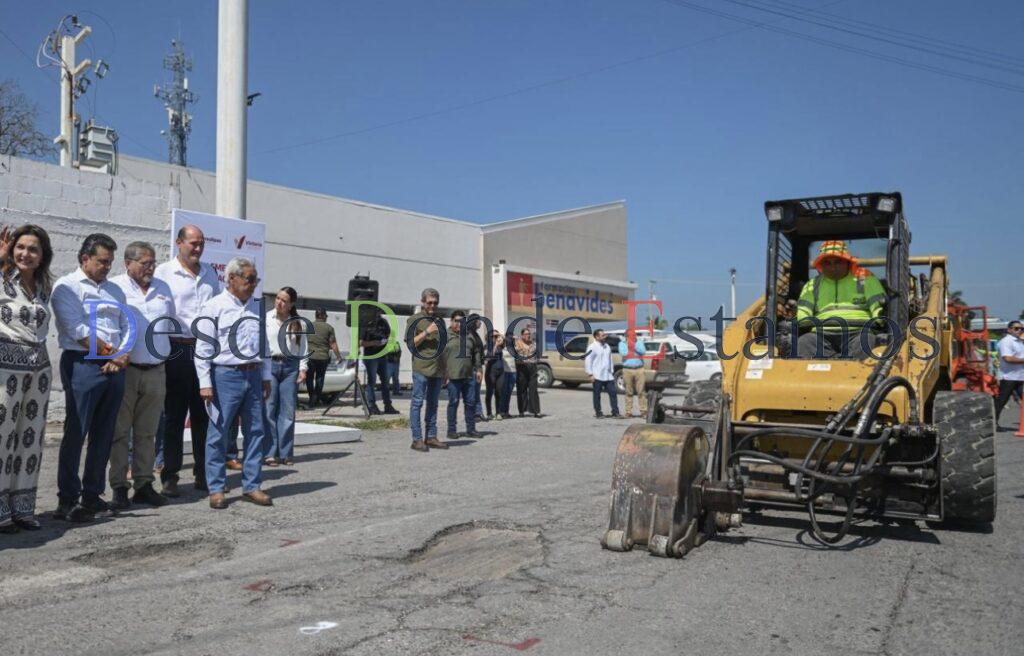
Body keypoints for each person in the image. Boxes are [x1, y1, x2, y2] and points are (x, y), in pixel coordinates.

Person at [51, 233, 130, 522]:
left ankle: (92, 494)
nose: (107, 267)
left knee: (104, 433)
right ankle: (67, 499)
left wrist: (122, 356)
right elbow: (77, 330)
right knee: (77, 432)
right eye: (102, 261)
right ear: (85, 258)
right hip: (82, 364)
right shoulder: (66, 287)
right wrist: (112, 355)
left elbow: (126, 325)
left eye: (110, 262)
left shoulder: (115, 291)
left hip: (114, 368)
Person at [195, 257, 272, 509]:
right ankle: (216, 488)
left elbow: (265, 345)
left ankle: (252, 485)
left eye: (255, 280)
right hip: (224, 376)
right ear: (231, 278)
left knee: (256, 432)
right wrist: (205, 382)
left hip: (253, 374)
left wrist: (266, 376)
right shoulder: (214, 306)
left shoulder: (256, 307)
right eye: (249, 279)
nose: (253, 284)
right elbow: (203, 347)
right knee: (218, 433)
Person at [153, 225, 221, 496]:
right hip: (176, 349)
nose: (198, 248)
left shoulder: (210, 274)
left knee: (203, 415)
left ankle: (203, 474)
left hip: (204, 350)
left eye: (201, 243)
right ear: (179, 243)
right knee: (173, 416)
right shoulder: (164, 273)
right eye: (193, 243)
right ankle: (170, 475)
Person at [109, 242, 174, 509]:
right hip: (127, 371)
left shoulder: (163, 289)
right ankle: (119, 488)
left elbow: (168, 324)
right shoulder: (116, 288)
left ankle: (144, 484)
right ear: (128, 263)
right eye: (145, 263)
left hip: (157, 371)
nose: (151, 267)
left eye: (153, 262)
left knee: (147, 433)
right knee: (120, 432)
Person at [0, 225, 53, 532]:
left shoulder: (45, 285)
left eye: (33, 249)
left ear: (42, 255)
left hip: (39, 372)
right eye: (21, 247)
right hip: (6, 369)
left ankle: (22, 508)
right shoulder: (3, 278)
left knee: (30, 441)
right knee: (3, 439)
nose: (25, 254)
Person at [796, 240, 886, 359]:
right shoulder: (812, 285)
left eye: (838, 262)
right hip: (822, 334)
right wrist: (805, 320)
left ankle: (861, 376)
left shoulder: (865, 279)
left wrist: (880, 320)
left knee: (866, 342)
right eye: (827, 263)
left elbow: (879, 306)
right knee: (805, 342)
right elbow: (803, 313)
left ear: (847, 262)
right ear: (821, 266)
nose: (833, 267)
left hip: (858, 332)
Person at [265, 287, 307, 467]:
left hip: (290, 367)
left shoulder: (298, 323)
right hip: (270, 365)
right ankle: (269, 453)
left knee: (288, 412)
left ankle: (286, 452)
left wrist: (303, 369)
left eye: (284, 300)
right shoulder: (267, 318)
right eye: (277, 298)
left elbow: (303, 349)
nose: (279, 302)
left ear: (291, 304)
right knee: (269, 409)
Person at [406, 288, 448, 452]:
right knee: (417, 403)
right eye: (429, 302)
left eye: (435, 302)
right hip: (421, 368)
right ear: (423, 302)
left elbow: (443, 347)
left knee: (433, 404)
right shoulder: (414, 320)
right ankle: (417, 440)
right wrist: (427, 332)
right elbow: (411, 344)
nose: (432, 305)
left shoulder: (440, 321)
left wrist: (446, 370)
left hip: (437, 370)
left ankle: (431, 437)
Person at [443, 310, 482, 439]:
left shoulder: (469, 335)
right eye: (456, 321)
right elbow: (439, 357)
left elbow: (476, 352)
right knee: (453, 403)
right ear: (451, 321)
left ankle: (471, 429)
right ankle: (451, 430)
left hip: (469, 376)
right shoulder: (445, 336)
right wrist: (444, 374)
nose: (459, 324)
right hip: (452, 377)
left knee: (470, 403)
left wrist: (479, 369)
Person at [360, 313, 398, 415]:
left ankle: (388, 406)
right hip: (371, 357)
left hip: (382, 356)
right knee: (371, 382)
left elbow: (389, 334)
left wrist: (387, 341)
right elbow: (360, 342)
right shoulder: (365, 324)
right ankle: (372, 406)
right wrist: (374, 343)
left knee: (385, 382)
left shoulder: (383, 322)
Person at [305, 308, 341, 406]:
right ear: (323, 316)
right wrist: (338, 356)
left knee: (309, 378)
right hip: (323, 357)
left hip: (310, 357)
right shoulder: (329, 328)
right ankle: (315, 400)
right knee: (320, 379)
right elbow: (333, 344)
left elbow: (303, 342)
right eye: (326, 316)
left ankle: (312, 397)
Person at [994, 320, 1024, 426]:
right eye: (1016, 328)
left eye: (1021, 328)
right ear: (1009, 330)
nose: (1019, 330)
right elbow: (1007, 358)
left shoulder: (1019, 341)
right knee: (1001, 401)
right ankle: (992, 423)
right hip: (1008, 377)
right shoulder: (1006, 341)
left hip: (1020, 377)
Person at [586, 329, 620, 418]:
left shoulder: (607, 346)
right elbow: (588, 361)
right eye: (603, 335)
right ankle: (598, 412)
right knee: (597, 395)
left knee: (613, 393)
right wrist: (590, 374)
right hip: (597, 375)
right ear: (597, 337)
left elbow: (610, 359)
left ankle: (615, 412)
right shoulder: (592, 347)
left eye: (605, 335)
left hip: (608, 375)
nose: (605, 337)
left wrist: (611, 371)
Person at [618, 333, 648, 418]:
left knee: (641, 391)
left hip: (639, 369)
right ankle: (628, 412)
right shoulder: (622, 343)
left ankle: (644, 411)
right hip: (627, 369)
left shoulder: (639, 342)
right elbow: (624, 353)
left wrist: (633, 345)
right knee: (628, 391)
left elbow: (643, 352)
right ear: (627, 336)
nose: (634, 336)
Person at [514, 327, 542, 417]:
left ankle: (535, 411)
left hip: (532, 367)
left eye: (529, 334)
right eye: (526, 334)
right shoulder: (518, 344)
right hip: (522, 367)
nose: (528, 335)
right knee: (522, 390)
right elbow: (515, 355)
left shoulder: (533, 344)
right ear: (522, 335)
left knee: (533, 390)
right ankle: (521, 411)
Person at [483, 331, 504, 419]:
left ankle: (498, 412)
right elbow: (489, 357)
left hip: (500, 371)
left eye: (496, 336)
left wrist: (501, 336)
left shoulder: (500, 346)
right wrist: (495, 346)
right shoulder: (486, 346)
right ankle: (489, 413)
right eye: (494, 336)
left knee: (499, 392)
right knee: (489, 393)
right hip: (490, 372)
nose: (495, 338)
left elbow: (507, 340)